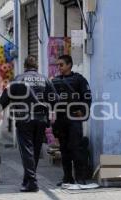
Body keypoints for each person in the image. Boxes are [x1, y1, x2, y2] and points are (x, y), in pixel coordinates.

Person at [0, 55, 58, 192]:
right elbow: (55, 98)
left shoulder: (18, 79)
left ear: (24, 67)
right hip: (41, 119)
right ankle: (28, 180)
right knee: (34, 151)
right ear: (36, 67)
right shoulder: (44, 79)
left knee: (27, 151)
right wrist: (51, 110)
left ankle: (33, 182)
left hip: (24, 119)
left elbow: (6, 97)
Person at [52, 55, 92, 186]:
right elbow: (50, 99)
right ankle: (67, 177)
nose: (59, 67)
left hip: (74, 118)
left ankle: (80, 178)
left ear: (69, 65)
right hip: (60, 119)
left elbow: (87, 97)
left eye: (61, 65)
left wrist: (82, 110)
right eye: (58, 65)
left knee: (76, 149)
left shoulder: (79, 80)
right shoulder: (55, 81)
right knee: (64, 150)